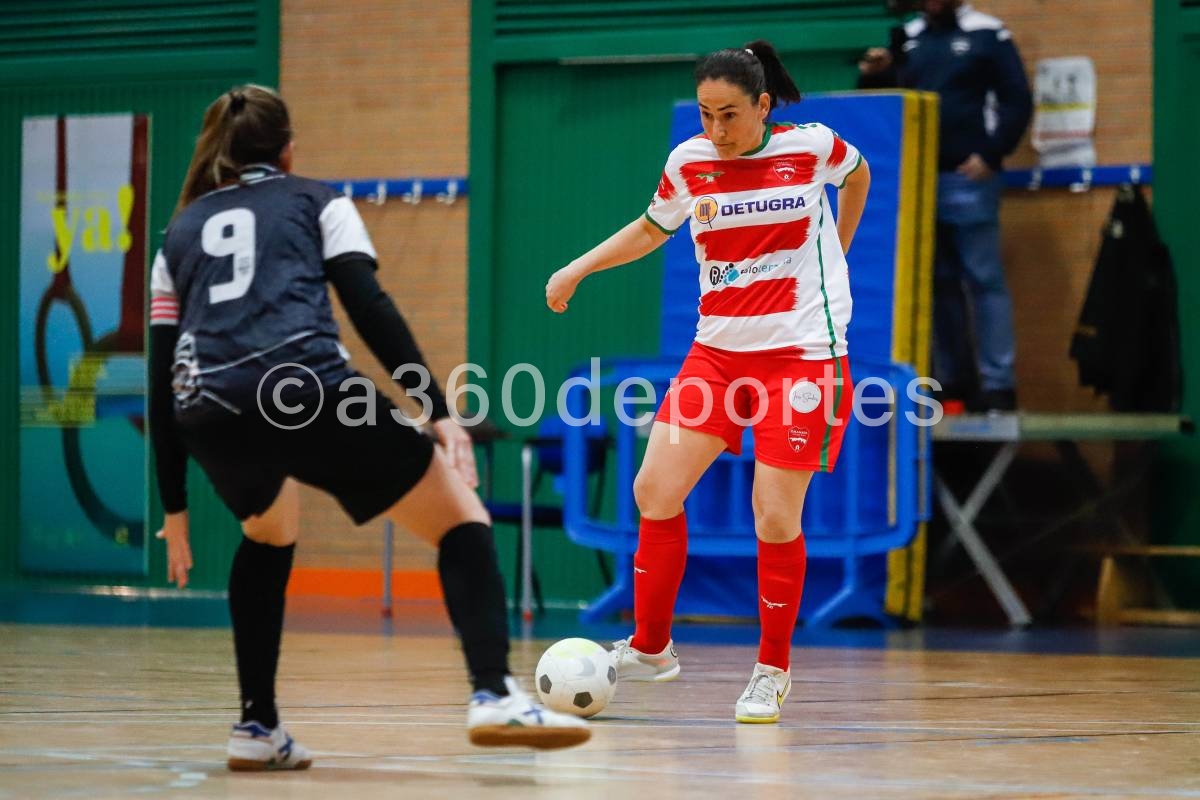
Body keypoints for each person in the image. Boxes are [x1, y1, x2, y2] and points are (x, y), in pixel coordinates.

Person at [149, 85, 589, 771]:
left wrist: (173, 506)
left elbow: (159, 375)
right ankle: (495, 693)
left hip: (209, 411)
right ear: (288, 147)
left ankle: (257, 726)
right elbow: (369, 306)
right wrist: (438, 409)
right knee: (461, 520)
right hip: (304, 388)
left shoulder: (177, 233)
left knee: (269, 530)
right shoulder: (318, 199)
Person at [545, 42, 870, 724]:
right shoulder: (689, 163)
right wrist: (576, 269)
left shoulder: (812, 148)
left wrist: (838, 245)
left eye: (730, 116)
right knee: (653, 489)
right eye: (705, 115)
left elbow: (860, 173)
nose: (717, 131)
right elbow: (650, 229)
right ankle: (652, 646)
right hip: (717, 355)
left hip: (804, 355)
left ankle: (771, 670)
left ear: (762, 106)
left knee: (774, 513)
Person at [859, 0, 1032, 411]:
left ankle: (998, 384)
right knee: (937, 284)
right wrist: (873, 75)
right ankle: (954, 381)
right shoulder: (908, 38)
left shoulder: (989, 33)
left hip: (967, 179)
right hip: (917, 182)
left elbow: (1018, 99)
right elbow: (886, 104)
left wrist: (991, 154)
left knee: (983, 278)